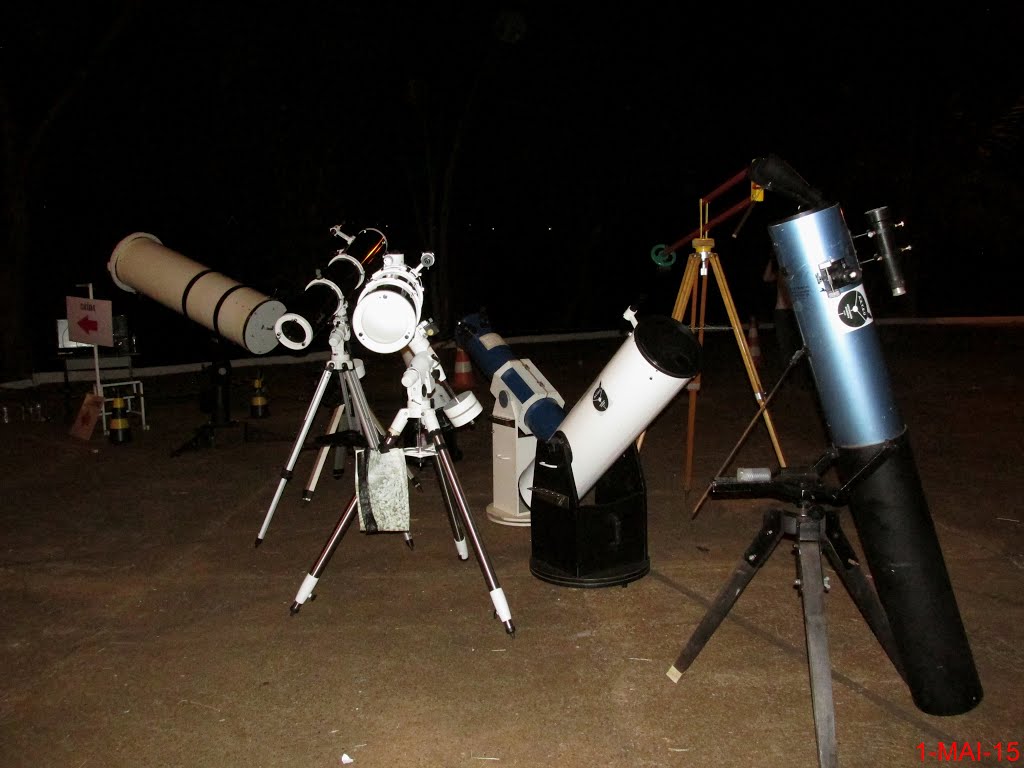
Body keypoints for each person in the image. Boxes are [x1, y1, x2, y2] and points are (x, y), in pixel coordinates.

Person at [762, 256, 807, 387]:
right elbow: (766, 278)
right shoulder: (781, 271)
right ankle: (789, 379)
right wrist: (771, 259)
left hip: (796, 313)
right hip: (781, 312)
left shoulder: (796, 271)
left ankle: (802, 379)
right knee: (785, 348)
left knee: (799, 346)